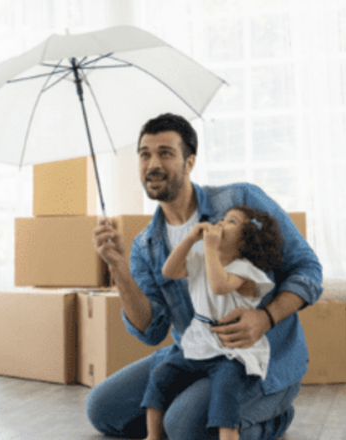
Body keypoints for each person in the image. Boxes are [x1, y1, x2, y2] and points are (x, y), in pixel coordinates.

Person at [88, 113, 322, 440]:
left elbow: (308, 269)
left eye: (165, 153)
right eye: (145, 154)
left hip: (254, 359)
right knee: (101, 409)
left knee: (184, 426)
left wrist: (265, 318)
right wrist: (118, 269)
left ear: (189, 162)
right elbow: (152, 330)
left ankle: (272, 418)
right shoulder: (146, 245)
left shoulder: (240, 202)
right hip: (193, 352)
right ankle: (195, 409)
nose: (153, 163)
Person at [143, 206, 284, 440]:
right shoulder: (201, 259)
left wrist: (209, 247)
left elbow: (219, 286)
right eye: (222, 219)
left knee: (225, 390)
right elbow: (168, 271)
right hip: (200, 341)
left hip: (231, 350)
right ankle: (152, 435)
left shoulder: (244, 269)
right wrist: (190, 239)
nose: (219, 224)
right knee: (161, 374)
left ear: (244, 241)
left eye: (231, 222)